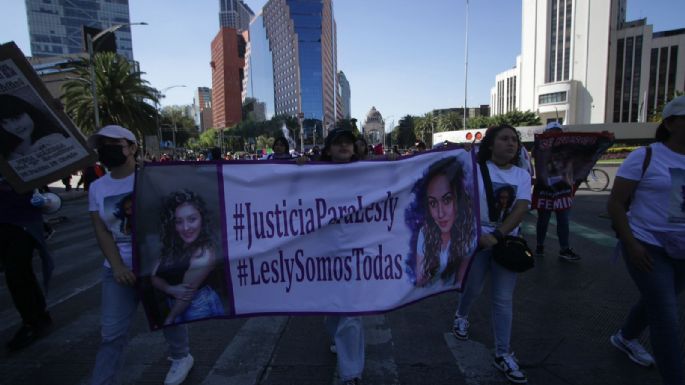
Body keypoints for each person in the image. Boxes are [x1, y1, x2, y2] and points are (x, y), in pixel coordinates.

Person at [87, 125, 194, 385]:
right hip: (118, 269)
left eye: (114, 145)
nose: (106, 151)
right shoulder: (97, 187)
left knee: (167, 316)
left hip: (156, 262)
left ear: (132, 147)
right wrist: (117, 267)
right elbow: (102, 230)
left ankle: (182, 356)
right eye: (102, 146)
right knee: (112, 333)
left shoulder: (156, 177)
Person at [607, 95, 685, 385]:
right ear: (670, 123)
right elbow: (615, 204)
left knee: (657, 299)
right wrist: (631, 244)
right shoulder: (646, 156)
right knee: (666, 317)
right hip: (647, 244)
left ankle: (625, 337)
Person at [451, 125, 532, 384]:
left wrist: (497, 236)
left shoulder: (522, 175)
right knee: (472, 288)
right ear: (490, 144)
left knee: (502, 299)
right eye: (504, 139)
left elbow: (521, 208)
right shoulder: (473, 168)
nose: (511, 144)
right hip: (476, 241)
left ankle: (503, 353)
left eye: (514, 140)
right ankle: (461, 316)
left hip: (506, 242)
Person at [151, 190, 225, 326]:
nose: (185, 228)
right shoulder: (173, 245)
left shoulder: (204, 252)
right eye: (179, 221)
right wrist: (169, 288)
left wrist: (169, 319)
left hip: (199, 307)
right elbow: (153, 277)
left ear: (202, 219)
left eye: (192, 219)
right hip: (174, 304)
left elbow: (186, 294)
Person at [0, 175, 53, 351]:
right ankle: (38, 316)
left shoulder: (19, 154)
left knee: (16, 271)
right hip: (6, 221)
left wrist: (44, 200)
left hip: (23, 222)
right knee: (19, 271)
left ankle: (32, 321)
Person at [413, 157, 475, 287]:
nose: (440, 214)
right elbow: (419, 280)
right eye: (433, 203)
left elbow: (460, 282)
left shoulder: (469, 232)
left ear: (458, 198)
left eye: (447, 200)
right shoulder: (425, 232)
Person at [533, 122, 581, 261]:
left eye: (558, 132)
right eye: (552, 132)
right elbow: (537, 156)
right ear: (547, 133)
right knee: (543, 220)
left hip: (563, 188)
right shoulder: (540, 146)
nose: (556, 134)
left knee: (563, 220)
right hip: (545, 188)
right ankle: (540, 245)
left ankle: (564, 248)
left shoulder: (567, 148)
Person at [0, 94, 67, 161]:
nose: (14, 127)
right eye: (4, 123)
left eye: (16, 118)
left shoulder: (54, 139)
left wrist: (60, 114)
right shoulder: (7, 152)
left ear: (29, 112)